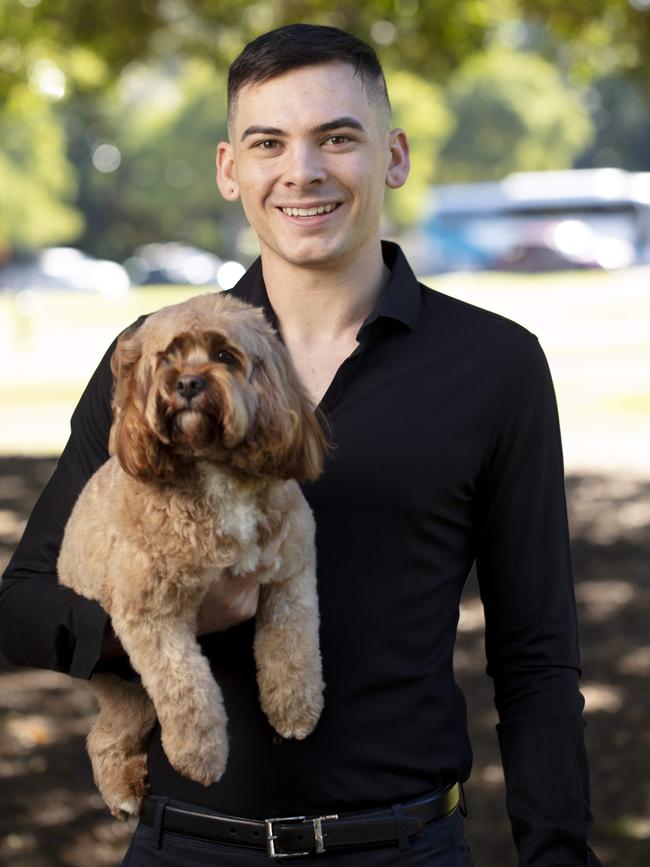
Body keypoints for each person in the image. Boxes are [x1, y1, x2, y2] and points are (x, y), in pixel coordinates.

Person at [0, 23, 603, 867]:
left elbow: (537, 655)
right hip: (187, 847)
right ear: (229, 169)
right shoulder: (150, 358)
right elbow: (21, 604)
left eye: (337, 138)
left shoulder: (494, 365)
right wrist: (147, 622)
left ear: (392, 156)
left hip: (404, 846)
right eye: (268, 143)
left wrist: (558, 852)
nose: (303, 171)